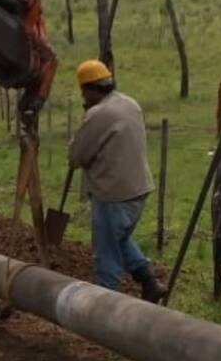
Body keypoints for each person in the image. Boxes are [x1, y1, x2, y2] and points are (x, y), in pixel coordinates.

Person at [68, 60, 163, 303]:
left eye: (84, 92)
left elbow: (76, 157)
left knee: (106, 253)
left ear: (90, 89)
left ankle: (106, 307)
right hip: (139, 189)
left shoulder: (98, 114)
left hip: (113, 195)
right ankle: (149, 282)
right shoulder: (130, 104)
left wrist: (84, 123)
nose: (83, 96)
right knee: (119, 238)